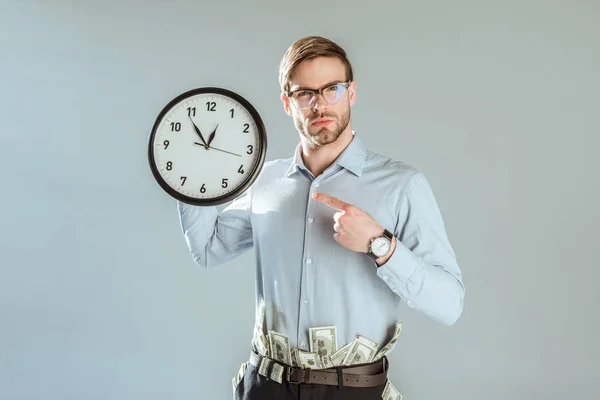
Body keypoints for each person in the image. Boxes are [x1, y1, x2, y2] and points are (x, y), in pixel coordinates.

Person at [177, 35, 465, 400]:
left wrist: (381, 244)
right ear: (287, 102)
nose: (320, 104)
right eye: (305, 94)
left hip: (352, 391)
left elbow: (449, 304)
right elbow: (207, 250)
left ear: (352, 93)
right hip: (264, 387)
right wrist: (188, 180)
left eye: (333, 89)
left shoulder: (402, 185)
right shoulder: (263, 180)